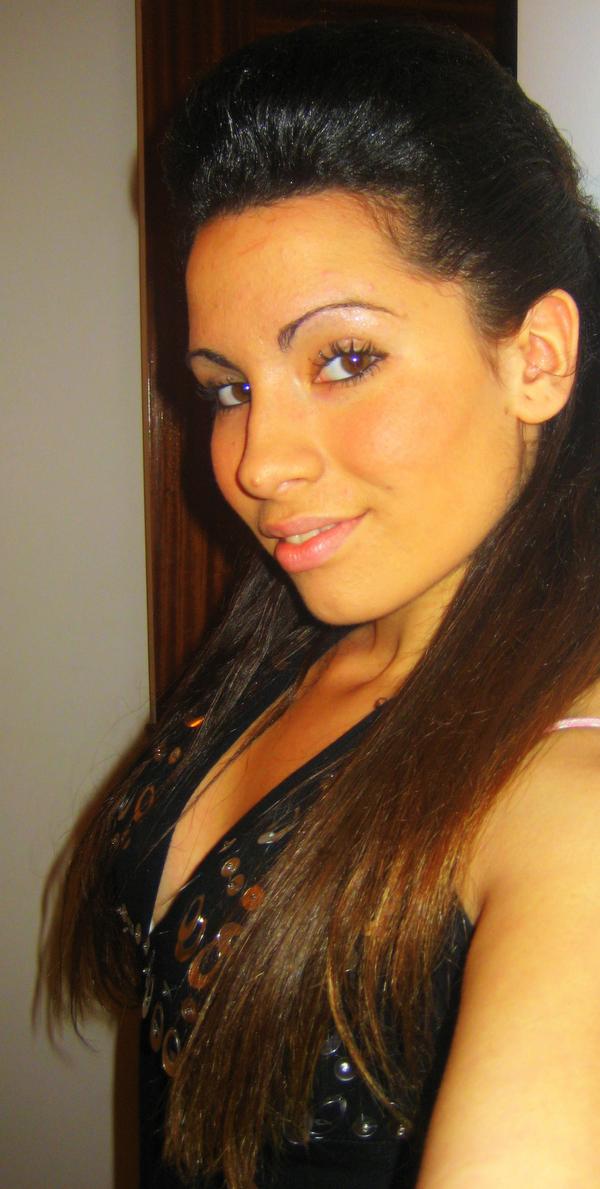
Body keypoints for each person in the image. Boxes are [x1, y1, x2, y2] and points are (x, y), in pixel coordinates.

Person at [50, 20, 600, 1189]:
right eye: (229, 388)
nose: (258, 462)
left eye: (344, 359)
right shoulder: (302, 641)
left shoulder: (568, 793)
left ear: (538, 358)